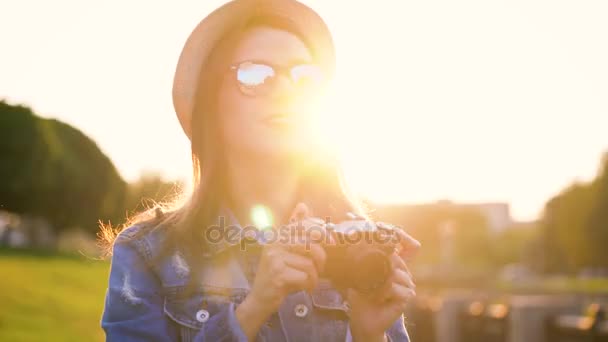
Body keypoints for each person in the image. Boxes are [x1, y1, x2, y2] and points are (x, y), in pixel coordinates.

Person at [100, 0, 419, 341]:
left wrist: (369, 335)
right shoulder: (148, 251)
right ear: (211, 102)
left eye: (304, 76)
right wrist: (254, 307)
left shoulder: (359, 244)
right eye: (255, 74)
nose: (285, 90)